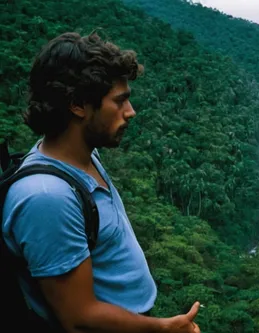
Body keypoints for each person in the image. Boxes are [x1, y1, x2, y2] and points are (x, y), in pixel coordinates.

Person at [1, 31, 201, 333]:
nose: (130, 112)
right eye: (119, 101)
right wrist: (161, 329)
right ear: (78, 105)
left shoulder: (83, 156)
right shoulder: (47, 197)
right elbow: (79, 319)